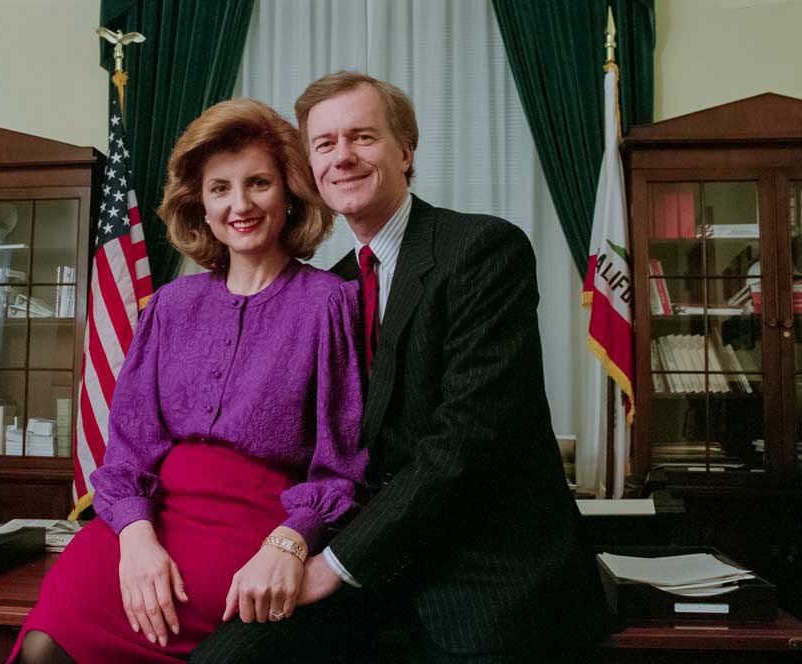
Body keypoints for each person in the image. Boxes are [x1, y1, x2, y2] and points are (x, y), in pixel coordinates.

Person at [192, 72, 609, 663]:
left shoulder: (483, 249)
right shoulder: (331, 290)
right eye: (325, 144)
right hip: (375, 568)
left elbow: (463, 441)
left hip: (486, 584)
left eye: (362, 137)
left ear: (405, 151)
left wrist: (334, 564)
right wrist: (288, 541)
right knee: (225, 658)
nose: (343, 157)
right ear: (309, 167)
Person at [8, 98, 368, 664]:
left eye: (258, 183)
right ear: (199, 204)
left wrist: (292, 540)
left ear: (291, 194)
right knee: (42, 646)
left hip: (253, 532)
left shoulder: (330, 304)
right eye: (220, 188)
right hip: (148, 517)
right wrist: (134, 535)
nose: (240, 204)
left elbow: (340, 463)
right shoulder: (169, 307)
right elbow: (128, 446)